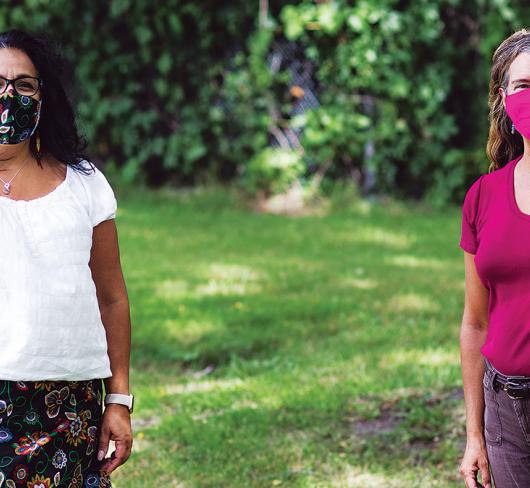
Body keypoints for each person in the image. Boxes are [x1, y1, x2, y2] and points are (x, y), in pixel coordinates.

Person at [0, 29, 133, 487]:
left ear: (43, 97)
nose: (8, 96)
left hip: (68, 406)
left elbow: (112, 298)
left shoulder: (84, 183)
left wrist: (119, 400)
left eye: (23, 85)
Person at [458, 28, 530, 488]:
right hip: (506, 416)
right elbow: (475, 323)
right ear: (505, 99)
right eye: (525, 86)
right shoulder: (483, 197)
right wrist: (474, 434)